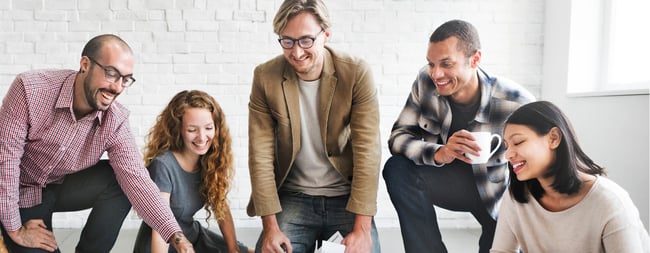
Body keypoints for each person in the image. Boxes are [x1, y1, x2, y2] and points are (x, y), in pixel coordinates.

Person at [0, 34, 194, 253]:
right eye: (111, 74)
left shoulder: (115, 120)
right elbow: (5, 161)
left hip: (57, 185)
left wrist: (176, 237)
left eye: (126, 79)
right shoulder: (30, 89)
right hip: (14, 191)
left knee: (123, 180)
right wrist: (15, 228)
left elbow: (137, 179)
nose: (118, 87)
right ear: (85, 64)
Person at [382, 19, 536, 253]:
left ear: (474, 59)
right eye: (431, 64)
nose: (436, 73)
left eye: (446, 64)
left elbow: (538, 164)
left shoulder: (515, 101)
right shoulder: (425, 81)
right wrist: (439, 153)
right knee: (396, 168)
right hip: (446, 182)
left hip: (495, 195)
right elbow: (398, 137)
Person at [246, 0, 382, 252]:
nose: (296, 52)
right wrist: (271, 228)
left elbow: (368, 153)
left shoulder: (356, 73)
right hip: (294, 197)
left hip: (346, 197)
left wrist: (362, 229)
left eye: (306, 40)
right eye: (287, 41)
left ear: (325, 35)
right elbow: (260, 156)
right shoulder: (265, 77)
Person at [490, 101, 650, 252]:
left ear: (553, 138)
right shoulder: (515, 197)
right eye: (506, 146)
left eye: (518, 142)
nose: (508, 154)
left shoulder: (610, 202)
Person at [132, 90, 253, 253]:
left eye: (208, 128)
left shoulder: (209, 161)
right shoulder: (163, 165)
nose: (202, 138)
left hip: (194, 235)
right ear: (178, 129)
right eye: (192, 130)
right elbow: (160, 225)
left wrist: (234, 250)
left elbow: (221, 208)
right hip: (166, 245)